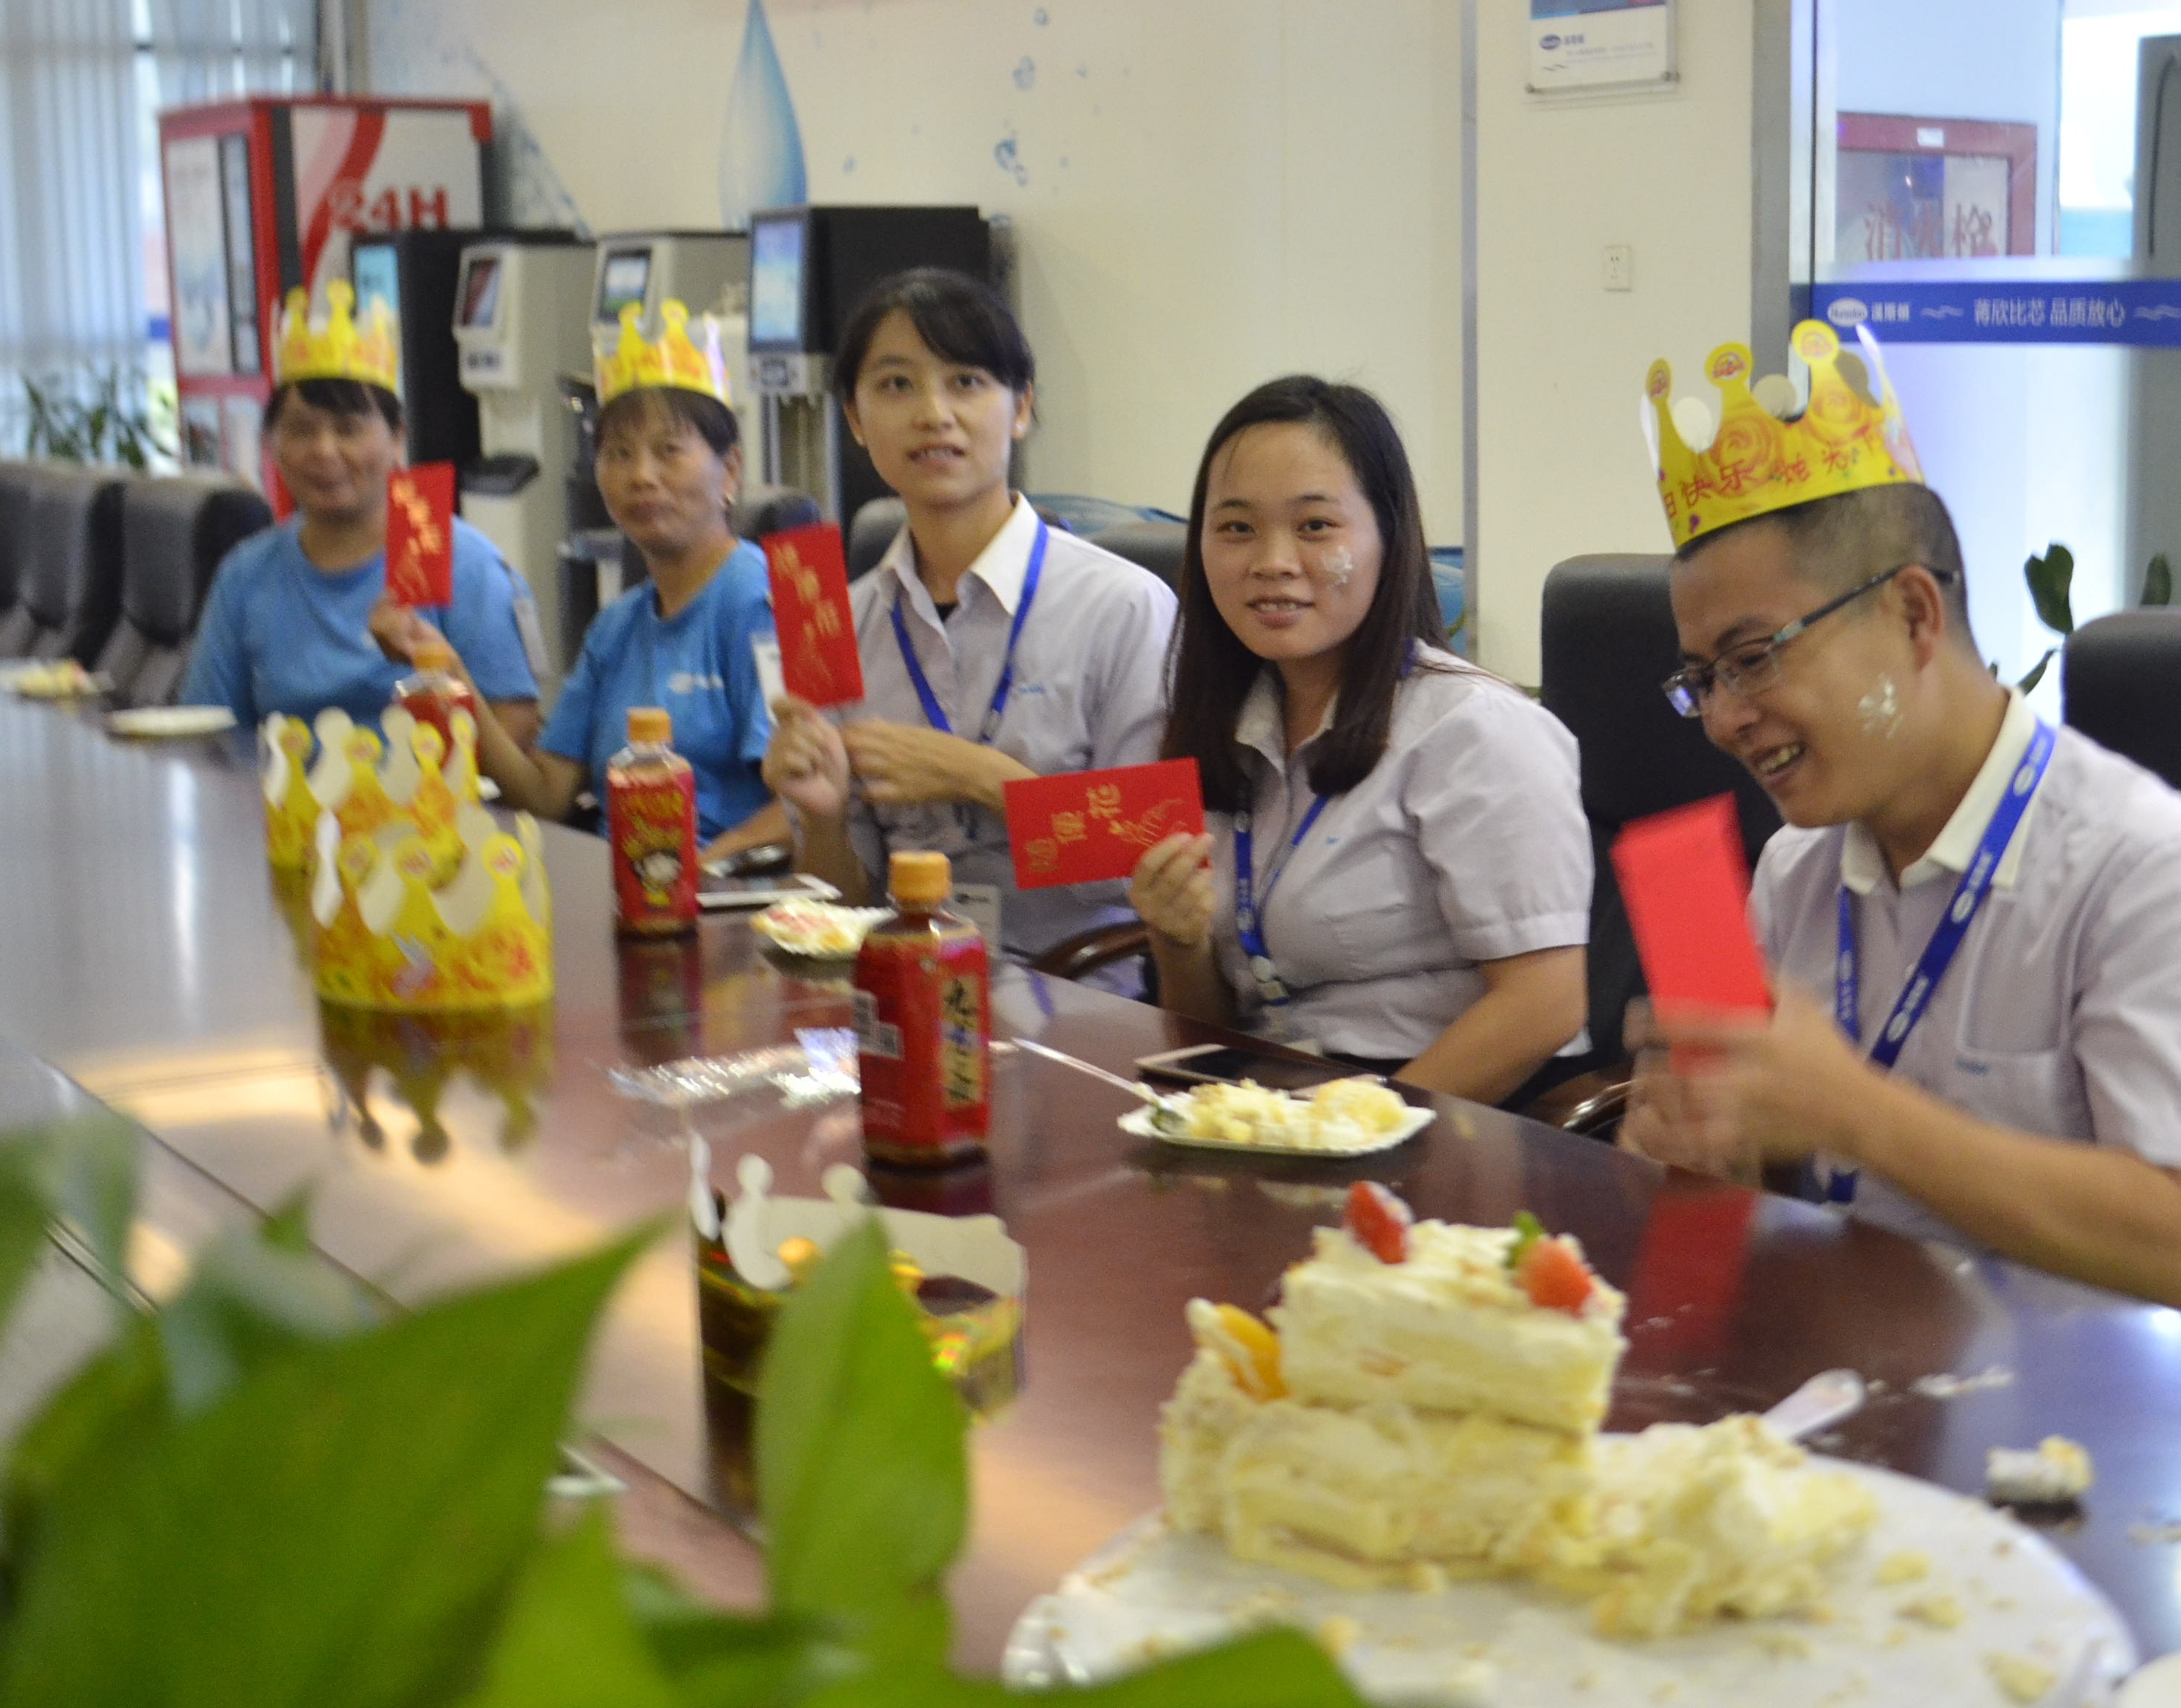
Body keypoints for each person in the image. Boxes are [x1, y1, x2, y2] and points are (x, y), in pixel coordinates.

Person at [1619, 324, 2181, 1311]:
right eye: (1703, 679)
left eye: (1755, 658)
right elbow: (1775, 1187)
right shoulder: (1795, 870)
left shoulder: (2142, 869)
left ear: (1912, 615)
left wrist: (1852, 1111)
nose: (1725, 719)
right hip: (1834, 1360)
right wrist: (1712, 1147)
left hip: (2070, 1390)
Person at [1123, 377, 1589, 1105]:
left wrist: (1354, 1128)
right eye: (1237, 528)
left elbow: (1546, 1002)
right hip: (1270, 1105)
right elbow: (1215, 1031)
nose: (1272, 561)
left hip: (1439, 1118)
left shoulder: (1473, 729)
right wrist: (1178, 944)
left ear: (1389, 540)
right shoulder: (1219, 727)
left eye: (1315, 526)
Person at [763, 269, 1175, 960]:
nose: (934, 413)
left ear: (1020, 408)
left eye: (966, 382)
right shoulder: (835, 625)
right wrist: (825, 820)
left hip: (1070, 992)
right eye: (897, 384)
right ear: (856, 419)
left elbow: (1153, 856)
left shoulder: (1124, 606)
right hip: (899, 980)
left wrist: (977, 777)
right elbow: (840, 913)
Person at [410, 301, 786, 864]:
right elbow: (545, 795)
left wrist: (695, 872)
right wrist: (454, 680)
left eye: (668, 451)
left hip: (722, 891)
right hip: (620, 884)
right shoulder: (616, 626)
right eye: (618, 454)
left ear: (730, 469)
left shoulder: (757, 601)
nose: (641, 476)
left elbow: (804, 805)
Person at [180, 284, 541, 738]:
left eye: (348, 429)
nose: (324, 451)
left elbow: (516, 733)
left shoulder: (464, 564)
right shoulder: (245, 575)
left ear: (397, 437)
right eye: (301, 430)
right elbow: (205, 729)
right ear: (272, 444)